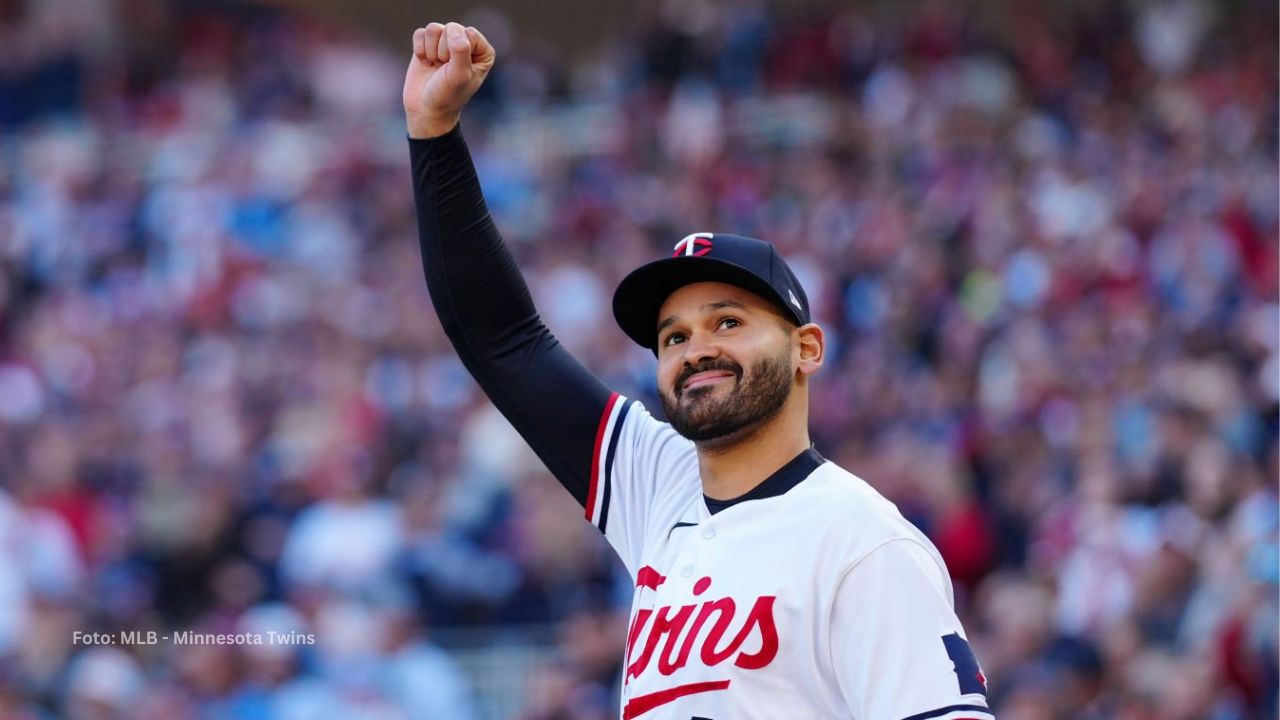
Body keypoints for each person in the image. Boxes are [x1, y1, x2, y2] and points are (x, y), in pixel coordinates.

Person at [403, 21, 995, 720]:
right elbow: (503, 341)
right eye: (673, 336)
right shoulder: (660, 487)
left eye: (728, 322)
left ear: (806, 348)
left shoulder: (863, 540)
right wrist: (433, 133)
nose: (695, 349)